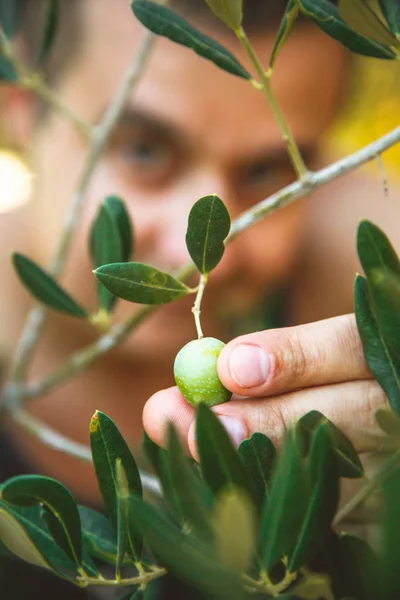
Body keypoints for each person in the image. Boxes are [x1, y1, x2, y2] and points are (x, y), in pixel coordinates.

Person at [0, 0, 398, 596]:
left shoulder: (357, 274)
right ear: (23, 109)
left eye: (267, 171)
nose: (212, 254)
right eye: (145, 152)